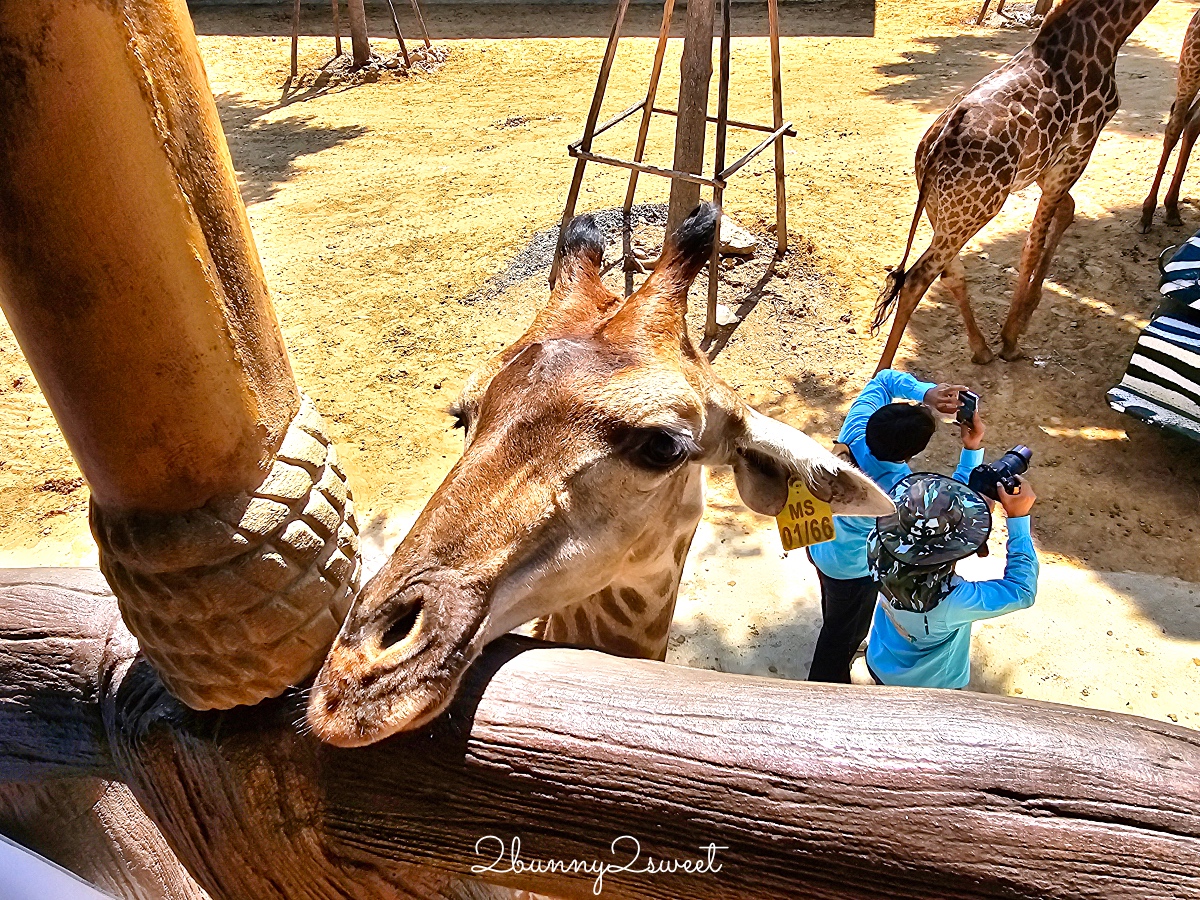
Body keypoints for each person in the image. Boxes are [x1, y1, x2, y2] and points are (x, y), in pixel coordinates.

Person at [806, 369, 985, 683]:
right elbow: (955, 502)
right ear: (908, 454)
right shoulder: (897, 491)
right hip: (852, 568)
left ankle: (835, 623)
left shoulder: (856, 427)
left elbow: (883, 380)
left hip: (819, 542)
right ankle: (825, 685)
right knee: (842, 631)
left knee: (833, 604)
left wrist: (925, 392)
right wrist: (971, 449)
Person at [864, 472, 1039, 689]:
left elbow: (922, 534)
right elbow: (1022, 590)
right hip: (933, 688)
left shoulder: (876, 546)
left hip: (880, 661)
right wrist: (1018, 521)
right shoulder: (952, 602)